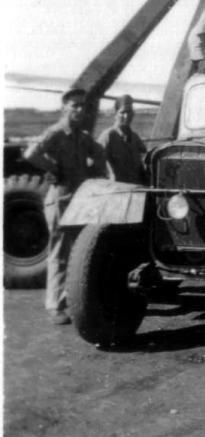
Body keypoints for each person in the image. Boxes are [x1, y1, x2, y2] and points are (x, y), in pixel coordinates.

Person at [24, 88, 107, 324]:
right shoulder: (57, 132)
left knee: (76, 250)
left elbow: (99, 152)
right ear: (64, 108)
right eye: (75, 106)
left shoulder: (81, 135)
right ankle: (54, 305)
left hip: (78, 200)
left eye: (83, 106)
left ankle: (72, 299)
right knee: (59, 253)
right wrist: (53, 168)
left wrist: (94, 170)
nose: (80, 110)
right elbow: (31, 153)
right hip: (60, 199)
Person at [98, 94, 147, 184]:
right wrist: (111, 174)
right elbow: (97, 161)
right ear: (115, 114)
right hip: (117, 189)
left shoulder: (135, 138)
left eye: (129, 112)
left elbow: (141, 162)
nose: (126, 116)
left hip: (135, 188)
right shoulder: (108, 136)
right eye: (122, 112)